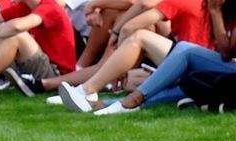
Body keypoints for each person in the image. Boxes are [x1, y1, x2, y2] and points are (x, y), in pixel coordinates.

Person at [57, 0, 215, 109]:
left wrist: (118, 37)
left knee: (139, 37)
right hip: (203, 63)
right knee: (139, 32)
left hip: (196, 67)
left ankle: (86, 89)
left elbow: (137, 10)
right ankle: (87, 87)